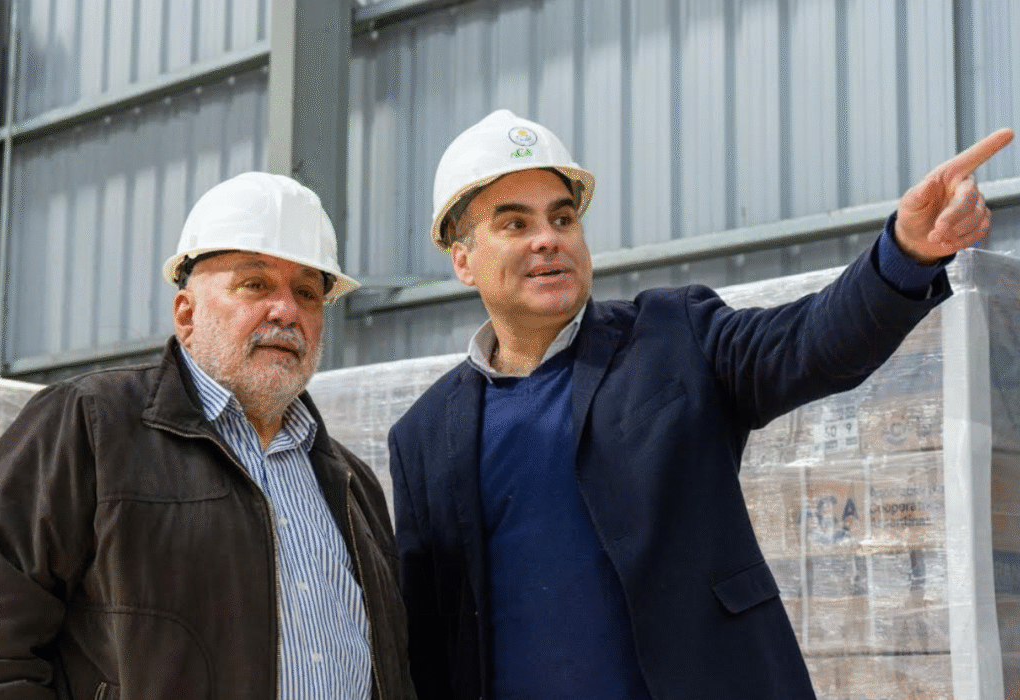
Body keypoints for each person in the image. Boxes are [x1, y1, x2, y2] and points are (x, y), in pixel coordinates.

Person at [389, 109, 1014, 699]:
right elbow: (426, 633)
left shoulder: (672, 336)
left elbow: (811, 342)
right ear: (463, 260)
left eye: (563, 218)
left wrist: (904, 253)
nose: (548, 240)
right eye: (515, 224)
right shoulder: (424, 436)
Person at [0, 172, 415, 700]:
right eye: (255, 284)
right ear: (187, 315)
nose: (287, 311)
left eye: (307, 293)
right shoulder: (91, 425)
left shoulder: (353, 485)